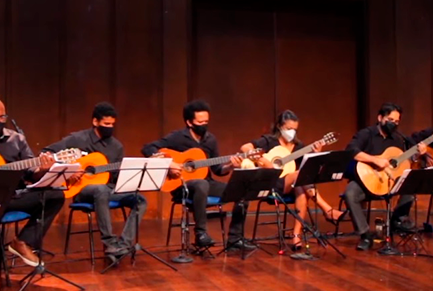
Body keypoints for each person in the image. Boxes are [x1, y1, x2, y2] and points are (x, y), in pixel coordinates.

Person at [0, 97, 63, 291]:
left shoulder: (16, 139)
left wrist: (42, 169)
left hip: (13, 196)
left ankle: (23, 242)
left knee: (55, 195)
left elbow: (31, 173)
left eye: (3, 117)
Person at [141, 99, 251, 251]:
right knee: (201, 184)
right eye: (200, 122)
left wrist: (231, 165)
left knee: (242, 191)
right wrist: (168, 164)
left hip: (206, 183)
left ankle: (235, 238)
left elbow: (218, 170)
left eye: (206, 121)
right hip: (182, 184)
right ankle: (201, 234)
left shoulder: (210, 140)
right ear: (190, 122)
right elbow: (148, 148)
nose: (204, 125)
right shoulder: (178, 137)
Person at [43, 102, 146, 258]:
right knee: (100, 189)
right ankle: (110, 244)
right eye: (106, 124)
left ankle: (123, 245)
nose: (110, 127)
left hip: (108, 189)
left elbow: (116, 177)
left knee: (140, 199)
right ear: (95, 122)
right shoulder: (78, 139)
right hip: (81, 189)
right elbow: (47, 153)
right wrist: (68, 171)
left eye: (112, 124)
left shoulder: (116, 146)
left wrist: (130, 173)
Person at [240, 110, 345, 251]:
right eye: (289, 129)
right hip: (270, 183)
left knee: (301, 187)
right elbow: (245, 147)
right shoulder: (269, 141)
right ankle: (327, 210)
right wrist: (263, 160)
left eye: (295, 130)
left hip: (291, 184)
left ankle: (296, 235)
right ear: (280, 127)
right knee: (298, 177)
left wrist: (316, 153)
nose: (292, 133)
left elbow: (310, 168)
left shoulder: (299, 147)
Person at [342, 102, 429, 250]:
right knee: (350, 193)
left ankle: (397, 221)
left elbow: (402, 162)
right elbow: (351, 151)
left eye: (396, 121)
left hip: (388, 181)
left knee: (410, 185)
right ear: (380, 117)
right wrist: (374, 159)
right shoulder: (366, 134)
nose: (393, 124)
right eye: (390, 120)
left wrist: (417, 155)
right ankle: (364, 234)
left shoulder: (398, 139)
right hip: (366, 180)